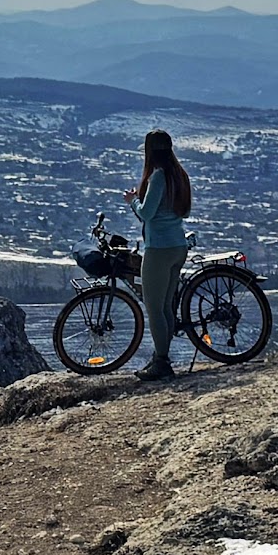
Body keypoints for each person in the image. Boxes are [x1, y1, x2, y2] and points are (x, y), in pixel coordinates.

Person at [124, 129, 193, 381]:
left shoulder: (158, 176)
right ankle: (160, 355)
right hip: (178, 246)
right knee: (166, 306)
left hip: (159, 249)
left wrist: (133, 200)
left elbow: (146, 213)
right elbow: (185, 212)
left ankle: (162, 362)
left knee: (154, 308)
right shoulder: (180, 175)